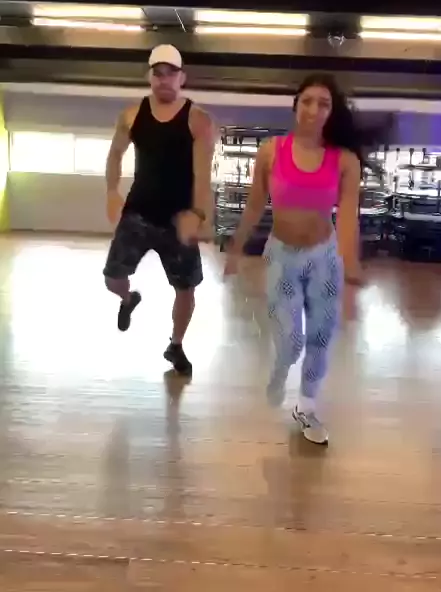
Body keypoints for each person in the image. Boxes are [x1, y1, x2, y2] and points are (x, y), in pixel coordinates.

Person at [224, 74, 364, 444]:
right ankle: (282, 364)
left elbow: (347, 219)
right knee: (291, 339)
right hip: (282, 256)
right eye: (308, 101)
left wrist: (351, 270)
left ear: (332, 112)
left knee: (320, 337)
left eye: (324, 103)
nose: (314, 109)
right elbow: (255, 204)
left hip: (324, 258)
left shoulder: (345, 161)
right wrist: (236, 247)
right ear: (295, 105)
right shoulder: (271, 151)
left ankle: (307, 407)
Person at [104, 44, 215, 376]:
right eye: (158, 73)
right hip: (138, 212)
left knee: (186, 288)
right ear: (149, 77)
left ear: (182, 78)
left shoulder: (198, 120)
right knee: (112, 278)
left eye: (171, 74)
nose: (164, 80)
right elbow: (115, 155)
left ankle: (175, 345)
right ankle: (128, 299)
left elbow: (202, 175)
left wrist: (198, 214)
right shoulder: (131, 115)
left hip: (178, 219)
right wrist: (111, 191)